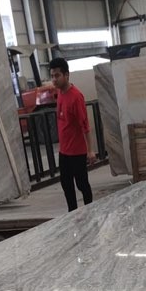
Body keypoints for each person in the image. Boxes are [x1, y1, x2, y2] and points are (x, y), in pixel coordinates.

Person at [50, 57, 97, 212]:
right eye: (52, 76)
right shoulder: (60, 93)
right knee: (66, 184)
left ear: (66, 75)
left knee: (82, 184)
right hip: (64, 151)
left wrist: (90, 150)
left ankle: (90, 211)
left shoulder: (76, 96)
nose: (54, 79)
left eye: (57, 75)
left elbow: (85, 125)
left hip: (77, 151)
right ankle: (73, 215)